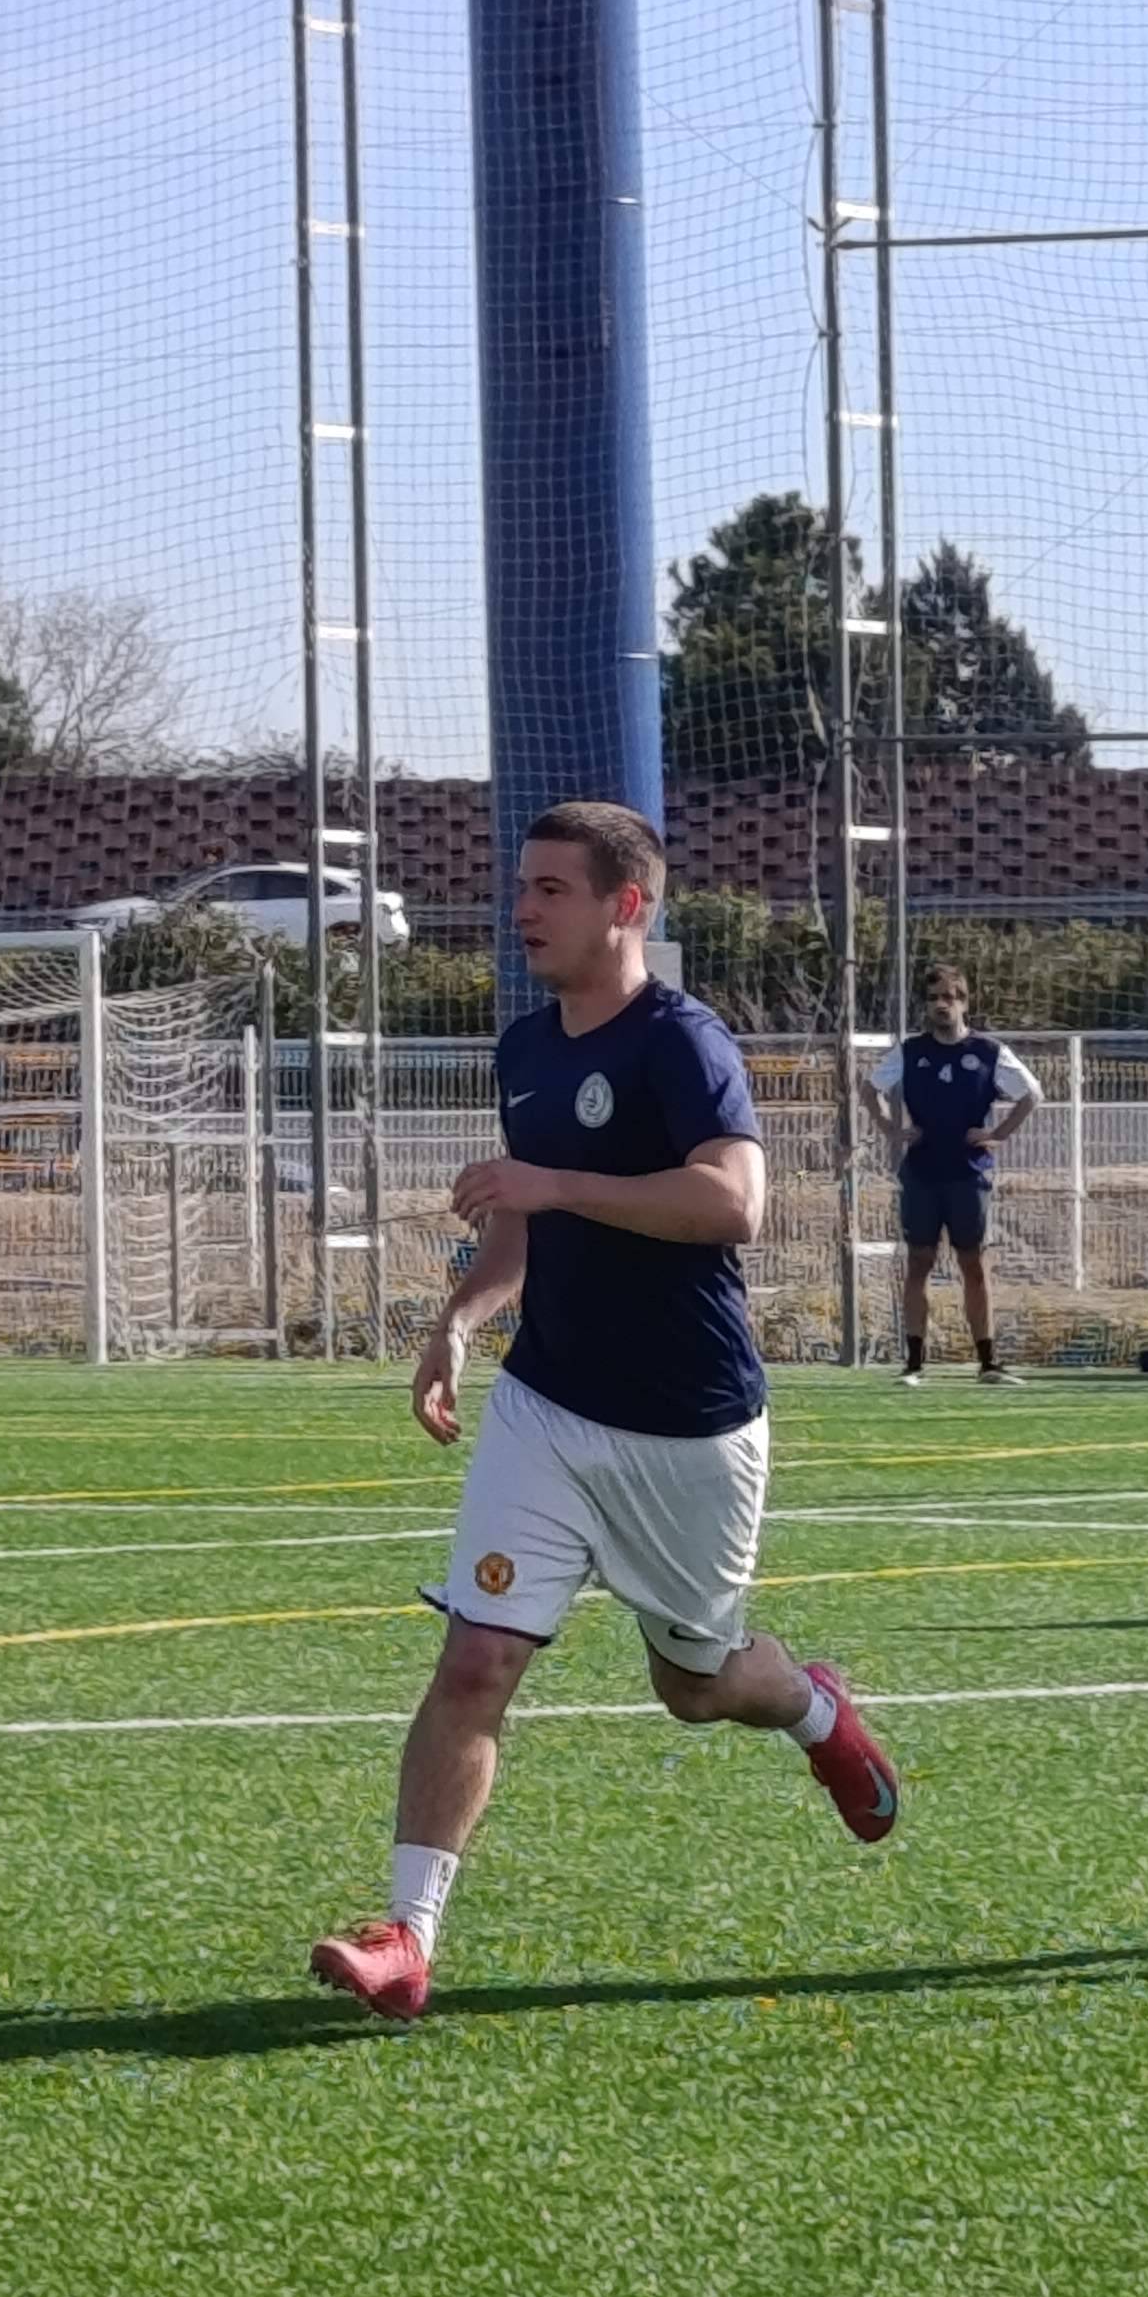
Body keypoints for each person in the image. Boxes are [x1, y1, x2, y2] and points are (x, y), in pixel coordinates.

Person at [312, 803, 900, 2023]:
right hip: (547, 1406)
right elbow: (522, 1224)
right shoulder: (526, 1048)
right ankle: (407, 1937)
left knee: (697, 1685)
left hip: (687, 1426)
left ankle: (814, 1708)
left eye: (551, 890)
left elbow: (734, 1203)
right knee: (476, 1659)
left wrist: (556, 1181)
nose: (521, 911)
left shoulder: (683, 1044)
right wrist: (461, 1319)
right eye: (520, 887)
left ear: (626, 905)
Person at [867, 960, 1041, 1386]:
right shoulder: (911, 1052)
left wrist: (997, 1134)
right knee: (919, 1262)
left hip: (968, 1173)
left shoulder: (988, 1052)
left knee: (974, 1263)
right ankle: (913, 1364)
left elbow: (1031, 1094)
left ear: (963, 1002)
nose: (941, 1005)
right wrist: (890, 1128)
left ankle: (988, 1362)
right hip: (922, 1172)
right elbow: (869, 1088)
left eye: (948, 997)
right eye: (933, 999)